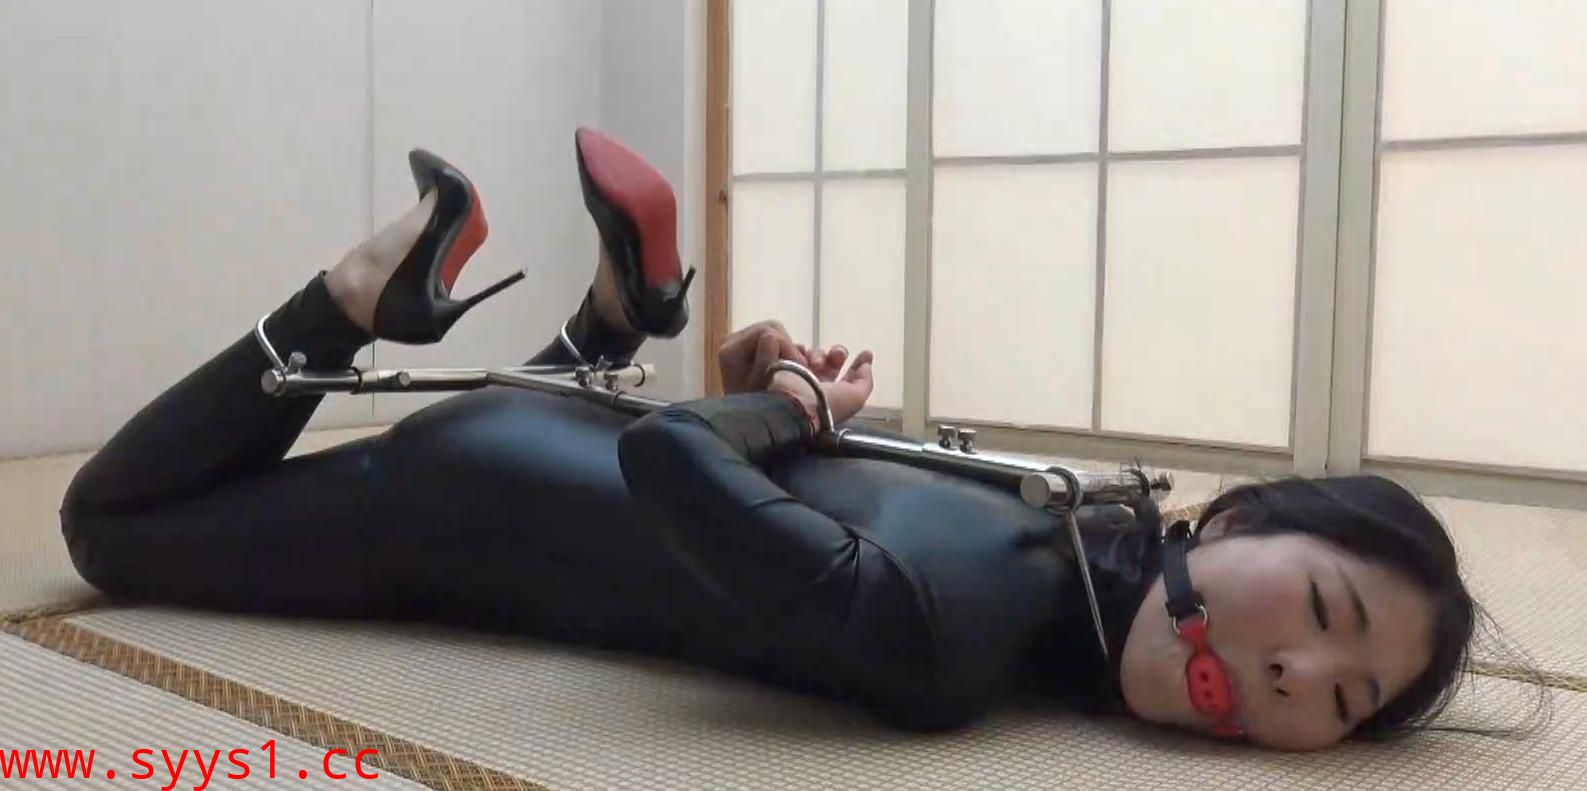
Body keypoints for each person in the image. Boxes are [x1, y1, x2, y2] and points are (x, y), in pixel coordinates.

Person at [60, 128, 1486, 752]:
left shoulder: (1079, 506)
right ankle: (358, 295)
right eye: (1323, 611)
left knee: (582, 459)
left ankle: (617, 318)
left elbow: (744, 474)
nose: (1297, 674)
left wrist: (765, 405)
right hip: (452, 501)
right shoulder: (952, 644)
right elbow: (672, 466)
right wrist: (788, 406)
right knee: (107, 531)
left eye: (1344, 702)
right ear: (1236, 519)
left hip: (551, 440)